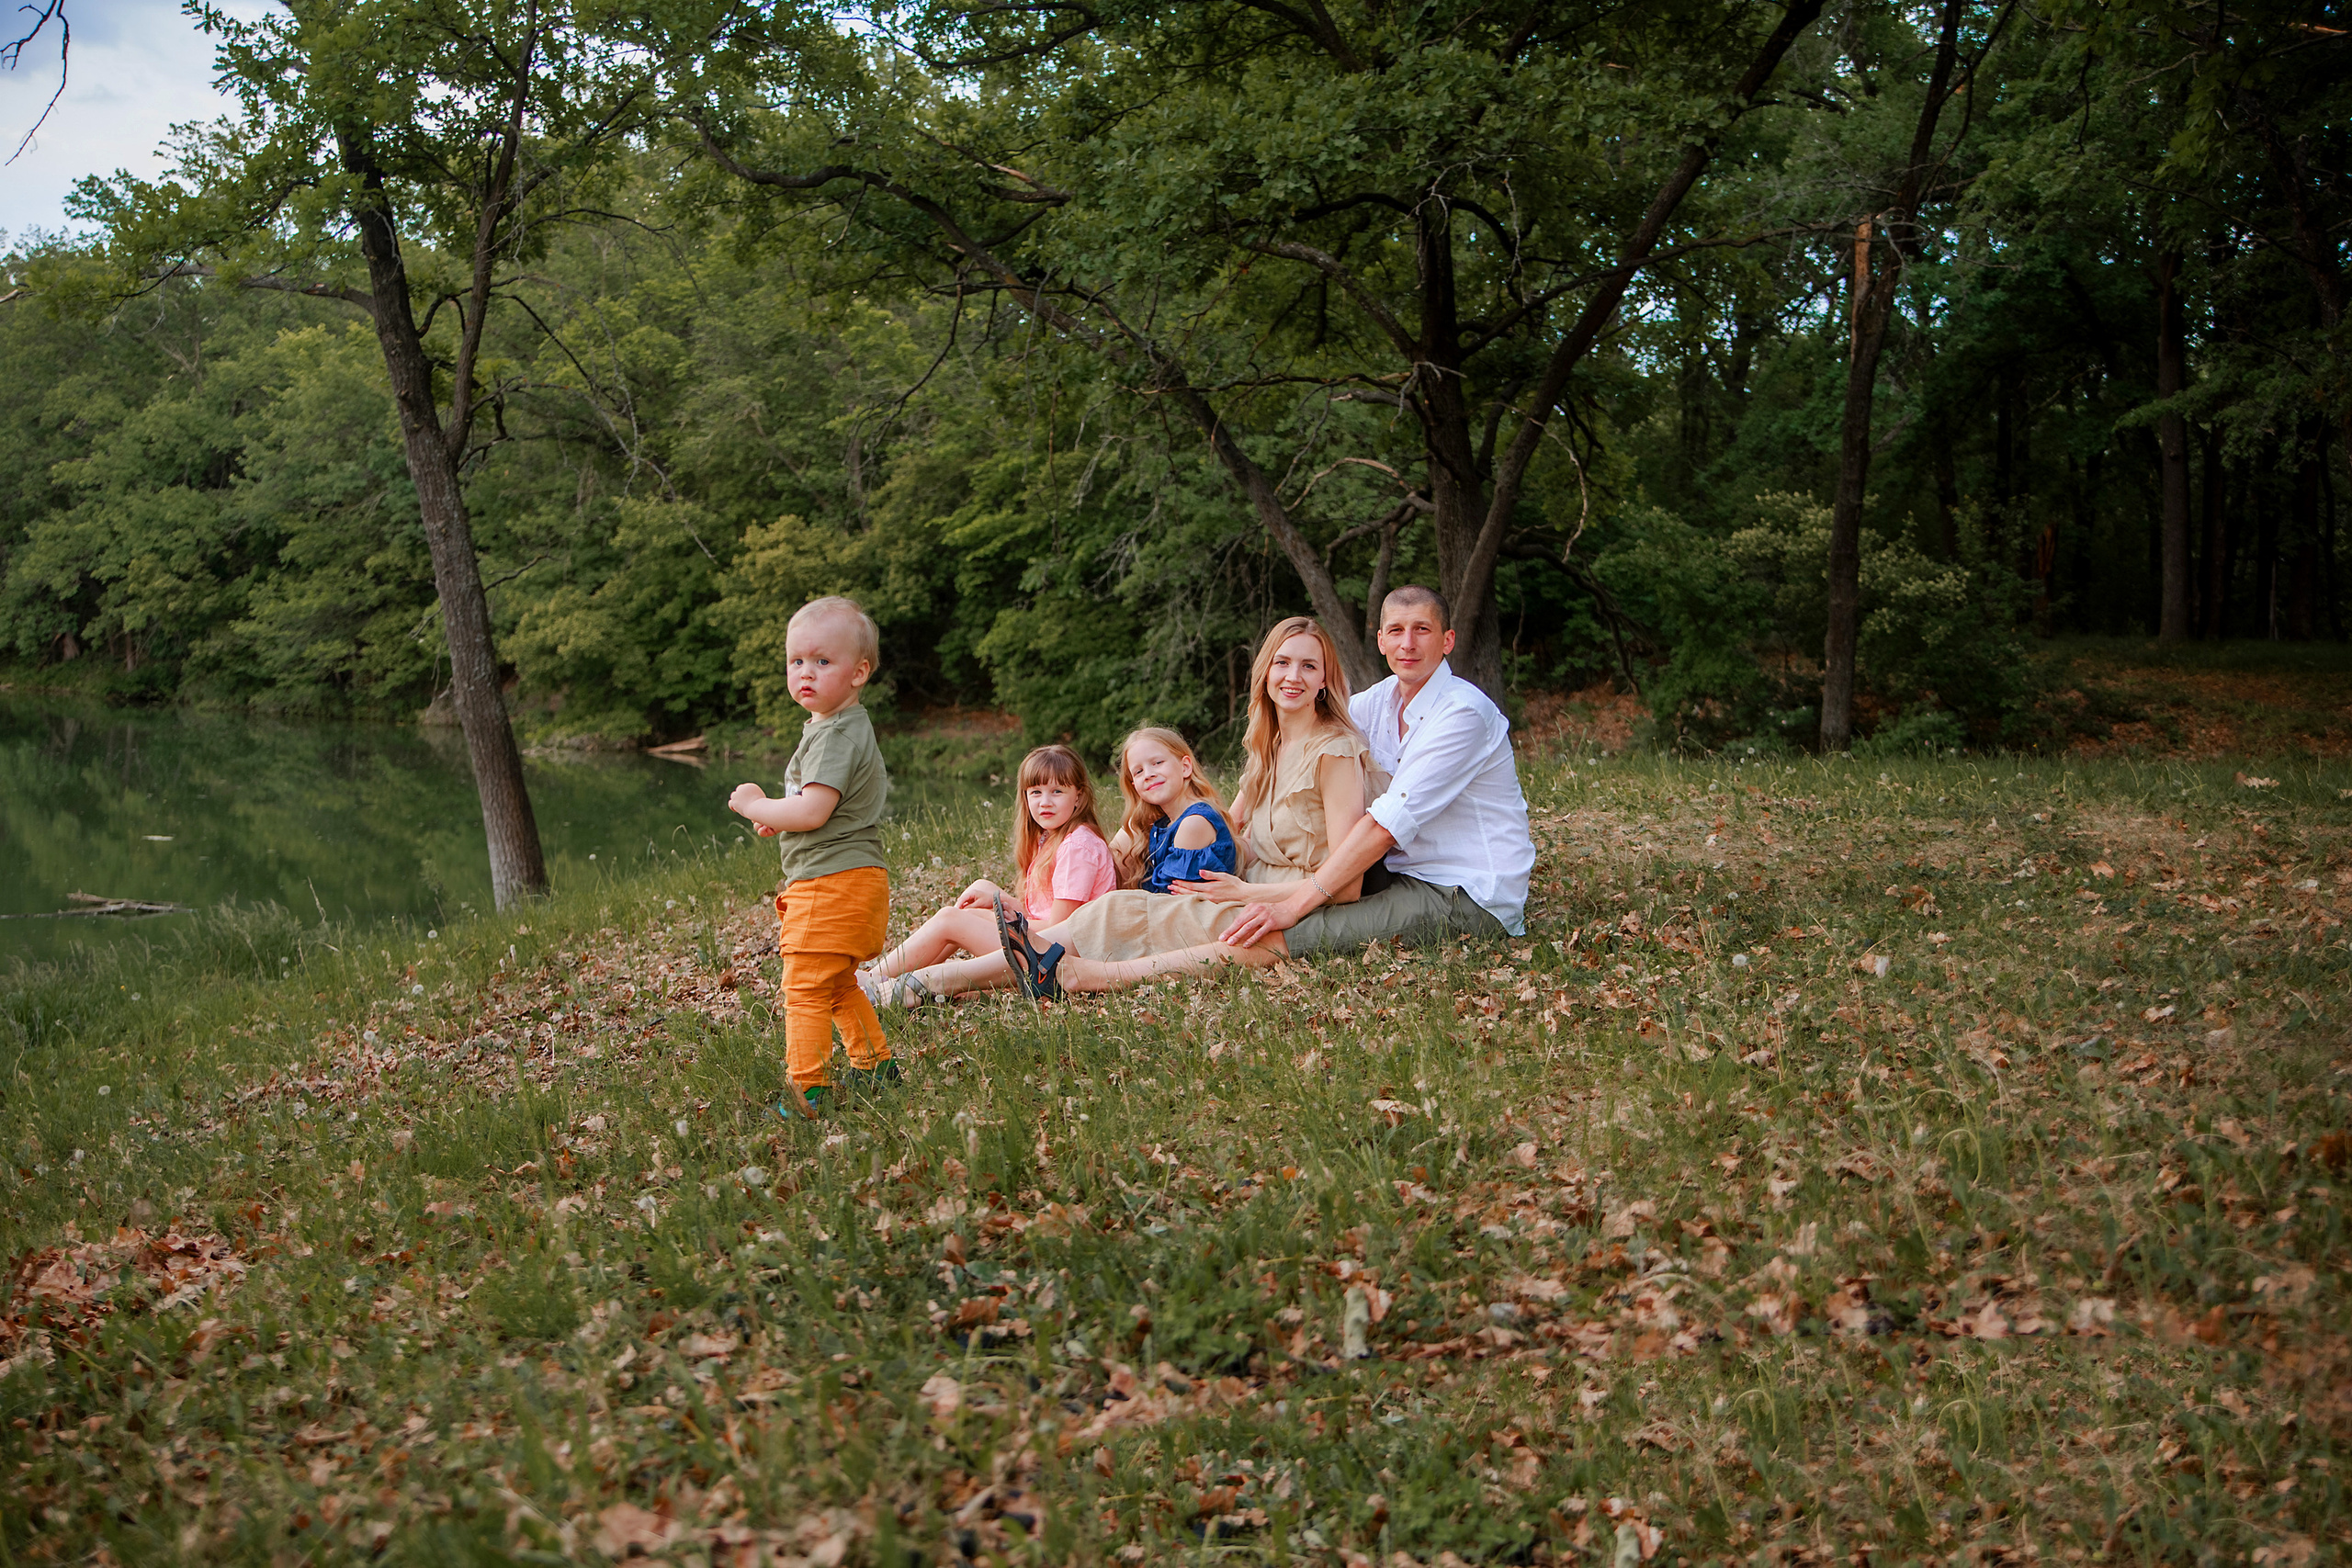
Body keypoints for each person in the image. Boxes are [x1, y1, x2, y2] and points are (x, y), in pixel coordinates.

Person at [989, 617, 1380, 998]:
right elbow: (1228, 824)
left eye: (1309, 666)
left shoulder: (1336, 753)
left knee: (1119, 911)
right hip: (1241, 888)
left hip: (1288, 904)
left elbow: (1347, 885)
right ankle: (974, 967)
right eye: (1282, 662)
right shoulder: (1270, 746)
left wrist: (1244, 891)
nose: (1293, 676)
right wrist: (1132, 832)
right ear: (1265, 672)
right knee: (1116, 905)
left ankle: (989, 966)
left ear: (1325, 680)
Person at [1216, 584, 1533, 958]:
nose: (1408, 644)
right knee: (1298, 904)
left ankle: (1150, 971)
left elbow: (1383, 828)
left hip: (1462, 891)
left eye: (1422, 629)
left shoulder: (1463, 713)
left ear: (1448, 640)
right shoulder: (1377, 702)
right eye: (1396, 631)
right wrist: (1222, 827)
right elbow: (1304, 733)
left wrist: (1291, 906)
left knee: (1299, 931)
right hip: (1393, 873)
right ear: (1381, 641)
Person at [882, 726, 1239, 1001]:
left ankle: (876, 980)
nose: (1147, 774)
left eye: (1157, 763)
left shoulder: (1192, 824)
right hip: (1093, 934)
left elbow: (1169, 912)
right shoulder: (1160, 825)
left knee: (952, 919)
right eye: (1137, 772)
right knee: (960, 915)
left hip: (1097, 942)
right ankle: (891, 981)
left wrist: (1004, 903)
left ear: (1186, 766)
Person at [724, 595, 898, 1120]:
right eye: (796, 661)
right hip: (853, 879)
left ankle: (807, 1093)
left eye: (823, 661)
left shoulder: (836, 735)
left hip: (831, 882)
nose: (806, 672)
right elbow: (810, 806)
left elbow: (815, 810)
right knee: (836, 983)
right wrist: (779, 815)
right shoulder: (837, 727)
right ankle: (877, 1069)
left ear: (859, 672)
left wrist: (754, 803)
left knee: (803, 988)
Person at [856, 744, 1114, 1009]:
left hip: (1056, 959)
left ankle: (870, 983)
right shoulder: (1054, 837)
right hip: (1045, 948)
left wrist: (995, 918)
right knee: (977, 896)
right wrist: (1001, 902)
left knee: (951, 920)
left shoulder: (1077, 847)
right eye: (1036, 792)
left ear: (1078, 796)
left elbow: (1057, 930)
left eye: (1057, 791)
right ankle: (893, 983)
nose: (1045, 801)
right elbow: (1045, 912)